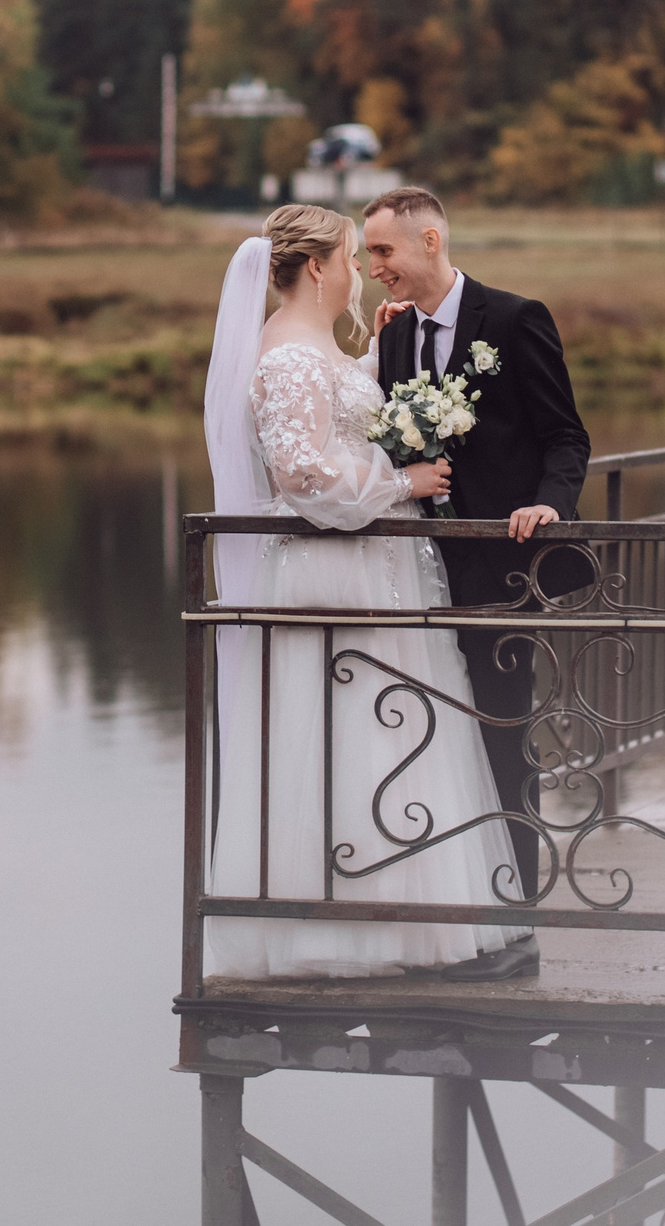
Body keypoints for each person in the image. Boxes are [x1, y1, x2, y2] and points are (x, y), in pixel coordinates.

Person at [202, 205, 529, 980]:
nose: (357, 269)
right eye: (351, 256)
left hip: (372, 572)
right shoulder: (283, 356)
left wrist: (377, 361)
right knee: (349, 735)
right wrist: (403, 481)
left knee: (394, 729)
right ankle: (349, 933)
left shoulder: (319, 347)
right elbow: (302, 475)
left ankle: (421, 922)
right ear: (316, 267)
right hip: (329, 577)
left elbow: (338, 425)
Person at [363, 185, 591, 983]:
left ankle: (515, 918)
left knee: (502, 738)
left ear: (430, 241)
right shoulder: (393, 339)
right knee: (430, 744)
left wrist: (547, 504)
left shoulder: (516, 318)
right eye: (365, 254)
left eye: (384, 251)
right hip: (417, 575)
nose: (373, 267)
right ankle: (445, 912)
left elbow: (566, 435)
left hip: (501, 574)